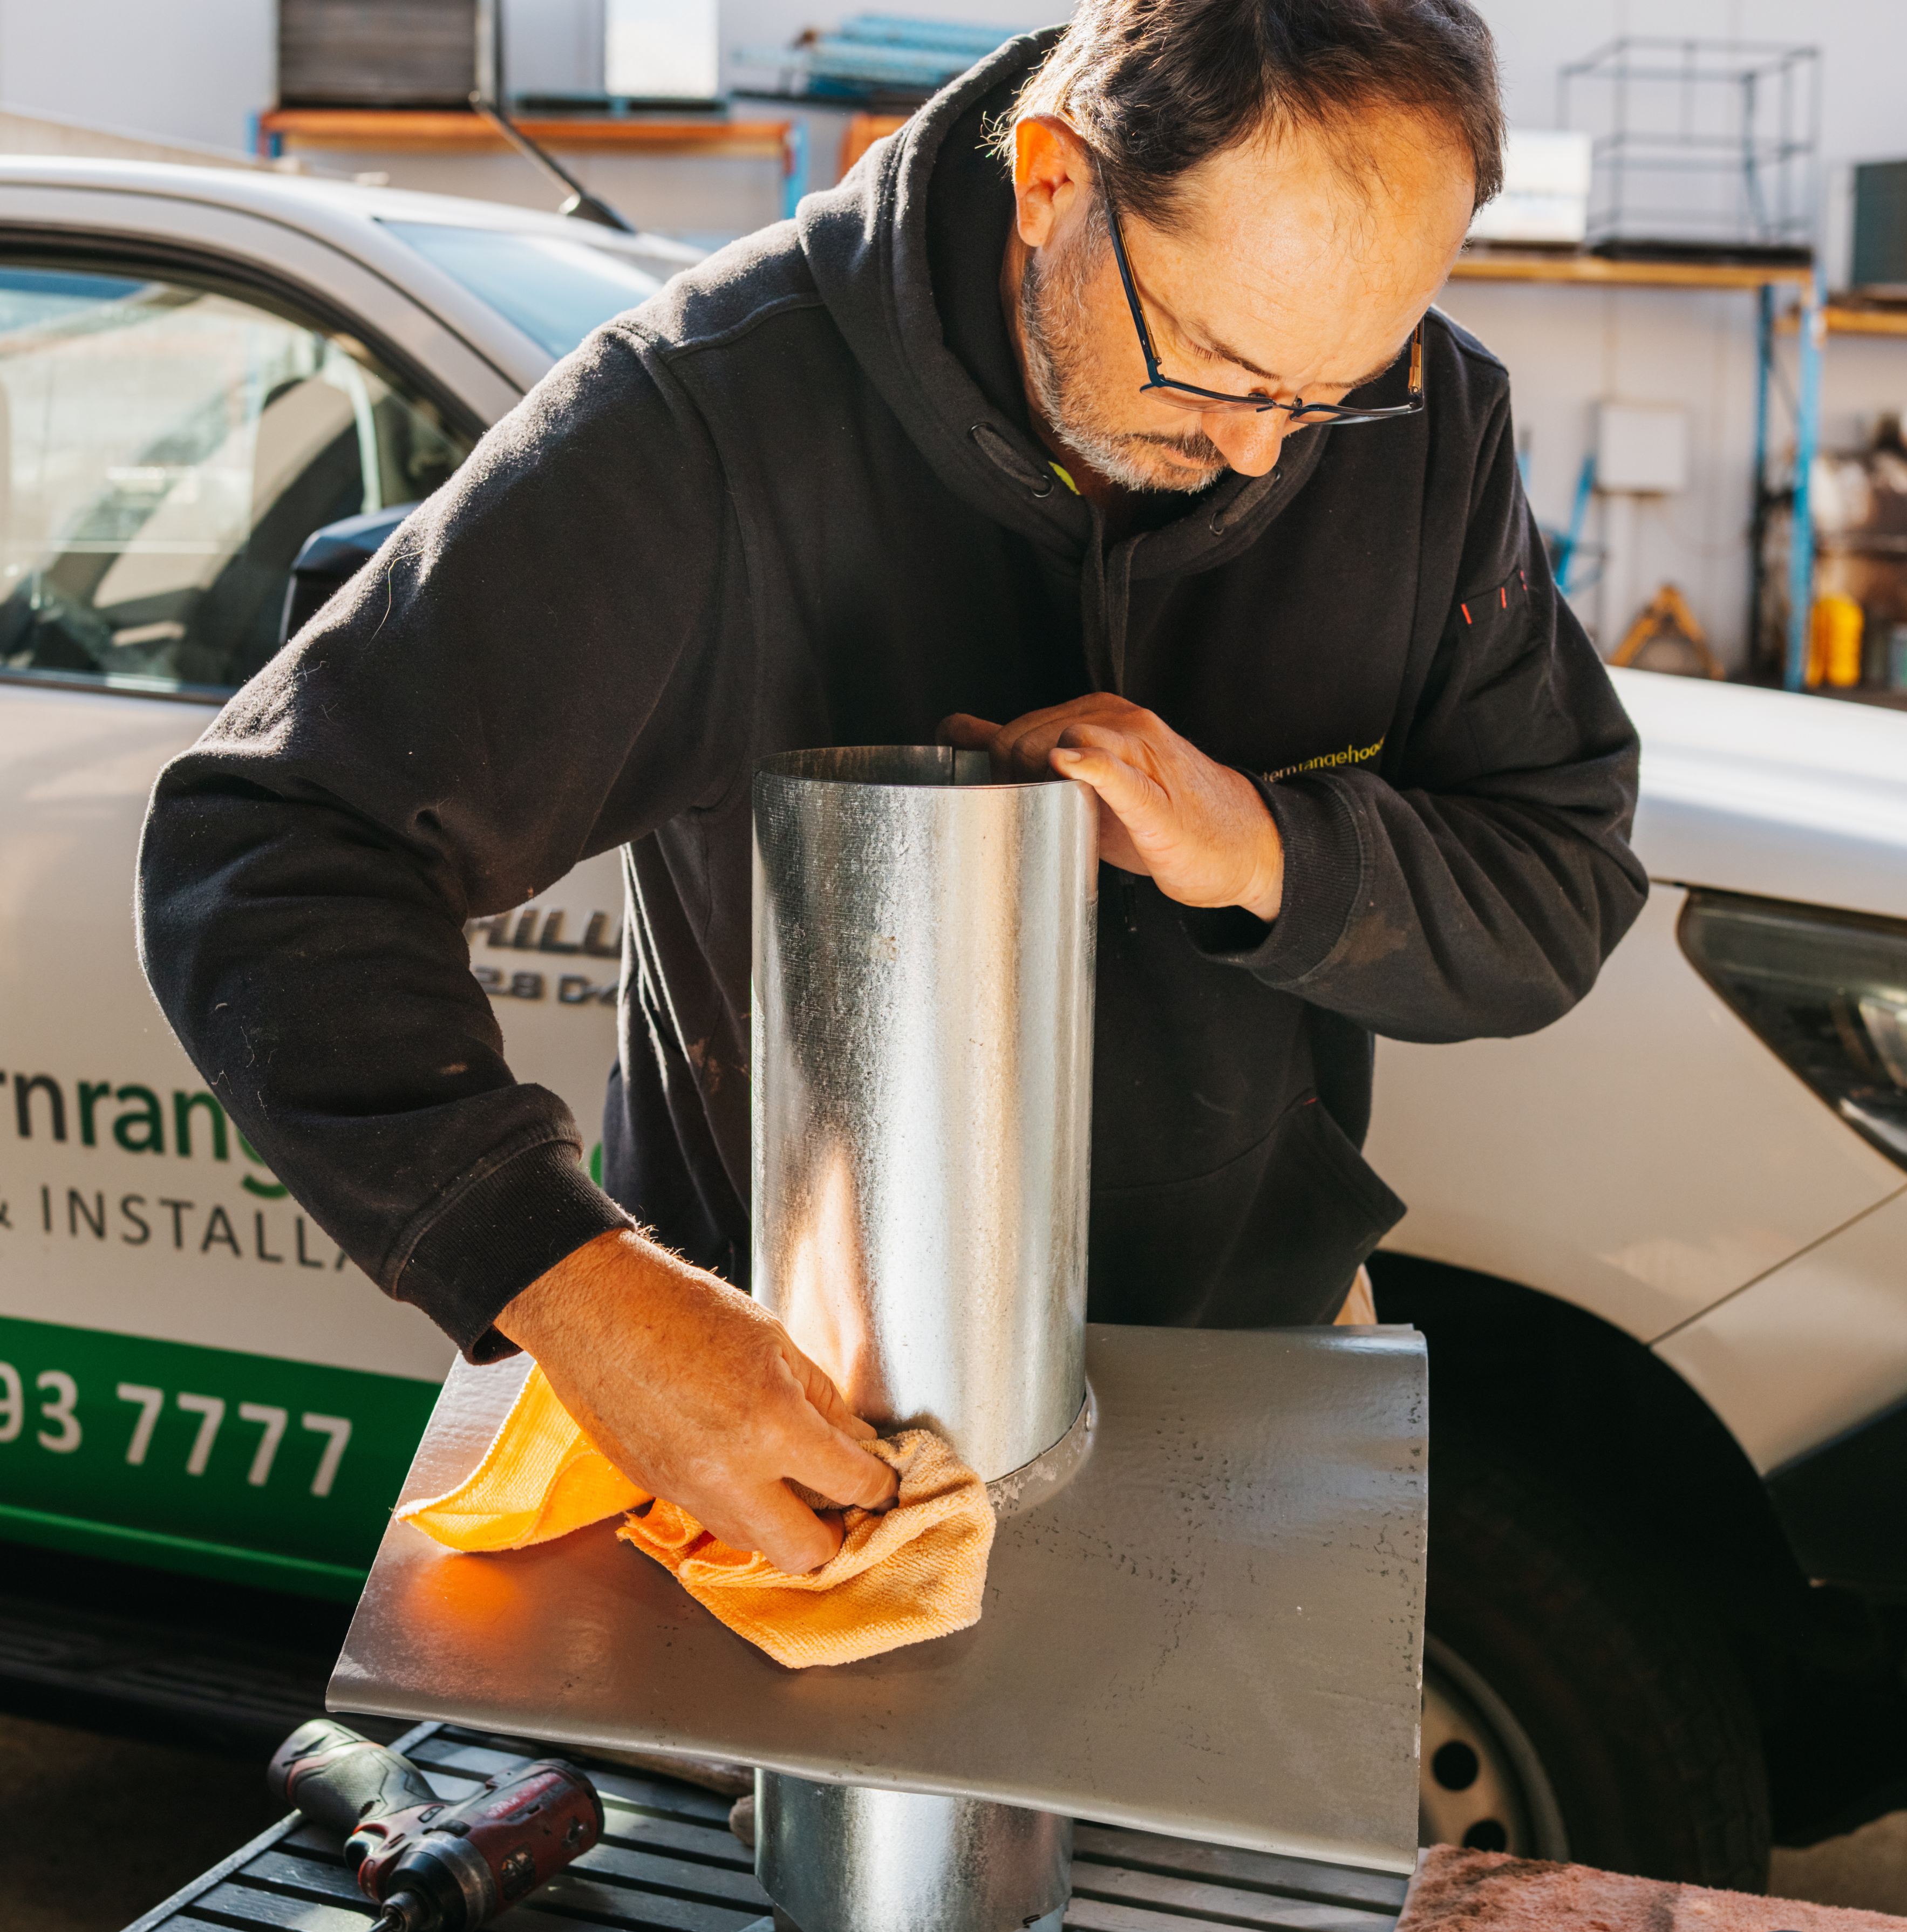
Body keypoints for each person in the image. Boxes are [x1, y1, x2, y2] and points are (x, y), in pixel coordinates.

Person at [138, 0, 1645, 1582]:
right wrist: (572, 1285)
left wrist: (1268, 847)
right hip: (780, 1418)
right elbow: (266, 844)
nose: (1266, 458)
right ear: (1054, 181)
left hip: (1243, 1371)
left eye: (1328, 393)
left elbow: (1557, 880)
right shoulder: (706, 421)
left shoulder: (1422, 426)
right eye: (1219, 366)